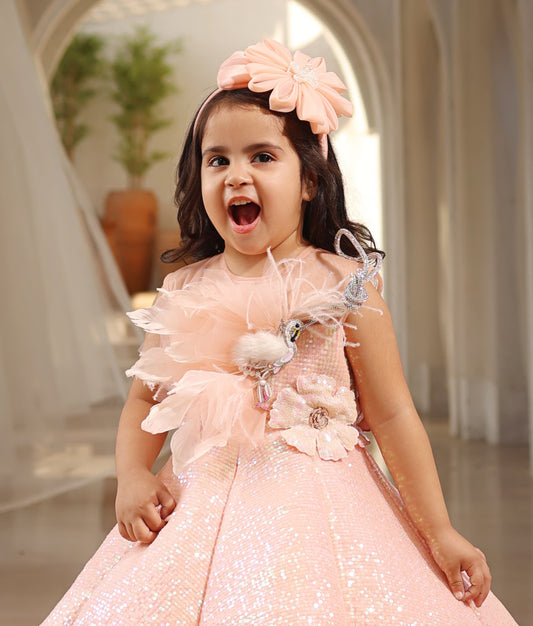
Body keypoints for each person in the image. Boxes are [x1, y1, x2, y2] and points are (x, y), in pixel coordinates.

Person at [43, 39, 517, 625]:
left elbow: (394, 415)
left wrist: (438, 530)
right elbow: (145, 399)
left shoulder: (343, 286)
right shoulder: (185, 288)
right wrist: (134, 475)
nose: (236, 176)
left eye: (262, 157)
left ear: (310, 180)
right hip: (198, 501)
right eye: (217, 161)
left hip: (323, 506)